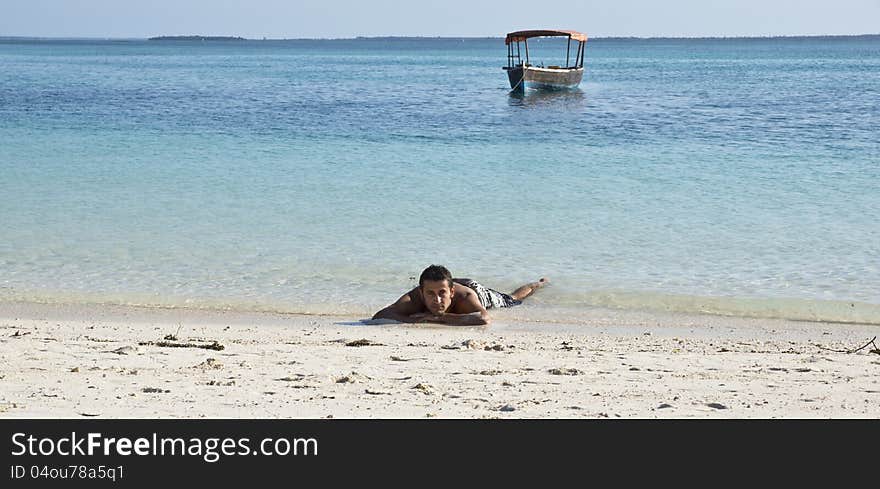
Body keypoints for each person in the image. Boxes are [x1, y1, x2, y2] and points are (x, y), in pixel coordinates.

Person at [372, 264, 548, 326]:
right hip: (447, 281)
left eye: (442, 294)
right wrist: (417, 320)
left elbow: (483, 319)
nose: (437, 300)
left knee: (512, 299)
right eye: (430, 294)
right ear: (421, 292)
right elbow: (380, 315)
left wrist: (439, 318)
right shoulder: (414, 297)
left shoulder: (464, 297)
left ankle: (539, 283)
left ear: (451, 292)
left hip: (476, 291)